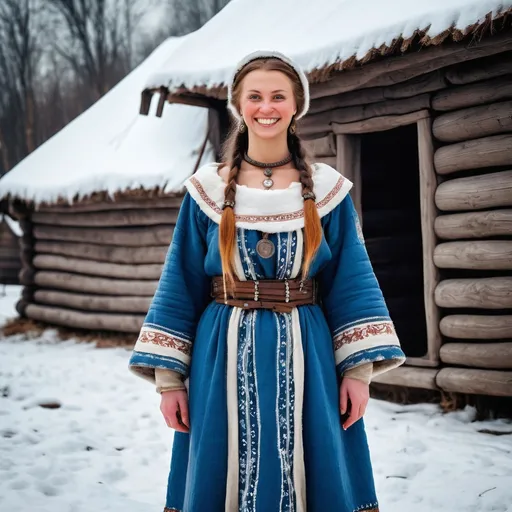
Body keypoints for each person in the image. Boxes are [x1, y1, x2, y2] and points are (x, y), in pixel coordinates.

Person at [128, 50, 406, 512]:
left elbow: (352, 283)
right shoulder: (206, 191)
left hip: (310, 355)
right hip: (220, 356)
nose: (266, 107)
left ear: (297, 104)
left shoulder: (328, 191)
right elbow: (179, 284)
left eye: (278, 96)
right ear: (239, 105)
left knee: (317, 468)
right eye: (254, 96)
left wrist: (357, 373)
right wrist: (169, 380)